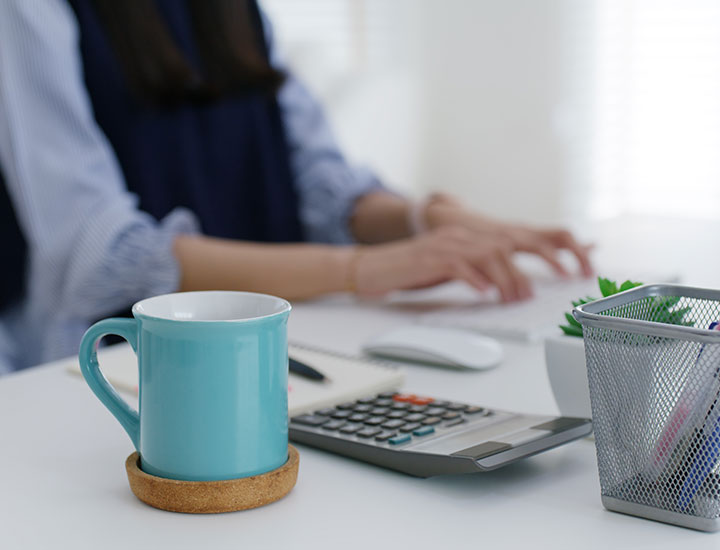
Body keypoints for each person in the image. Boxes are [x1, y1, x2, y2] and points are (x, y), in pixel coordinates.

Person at [0, 0, 592, 374]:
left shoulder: (237, 12)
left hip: (275, 349)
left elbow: (321, 183)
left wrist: (428, 221)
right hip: (116, 366)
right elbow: (103, 254)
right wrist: (359, 270)